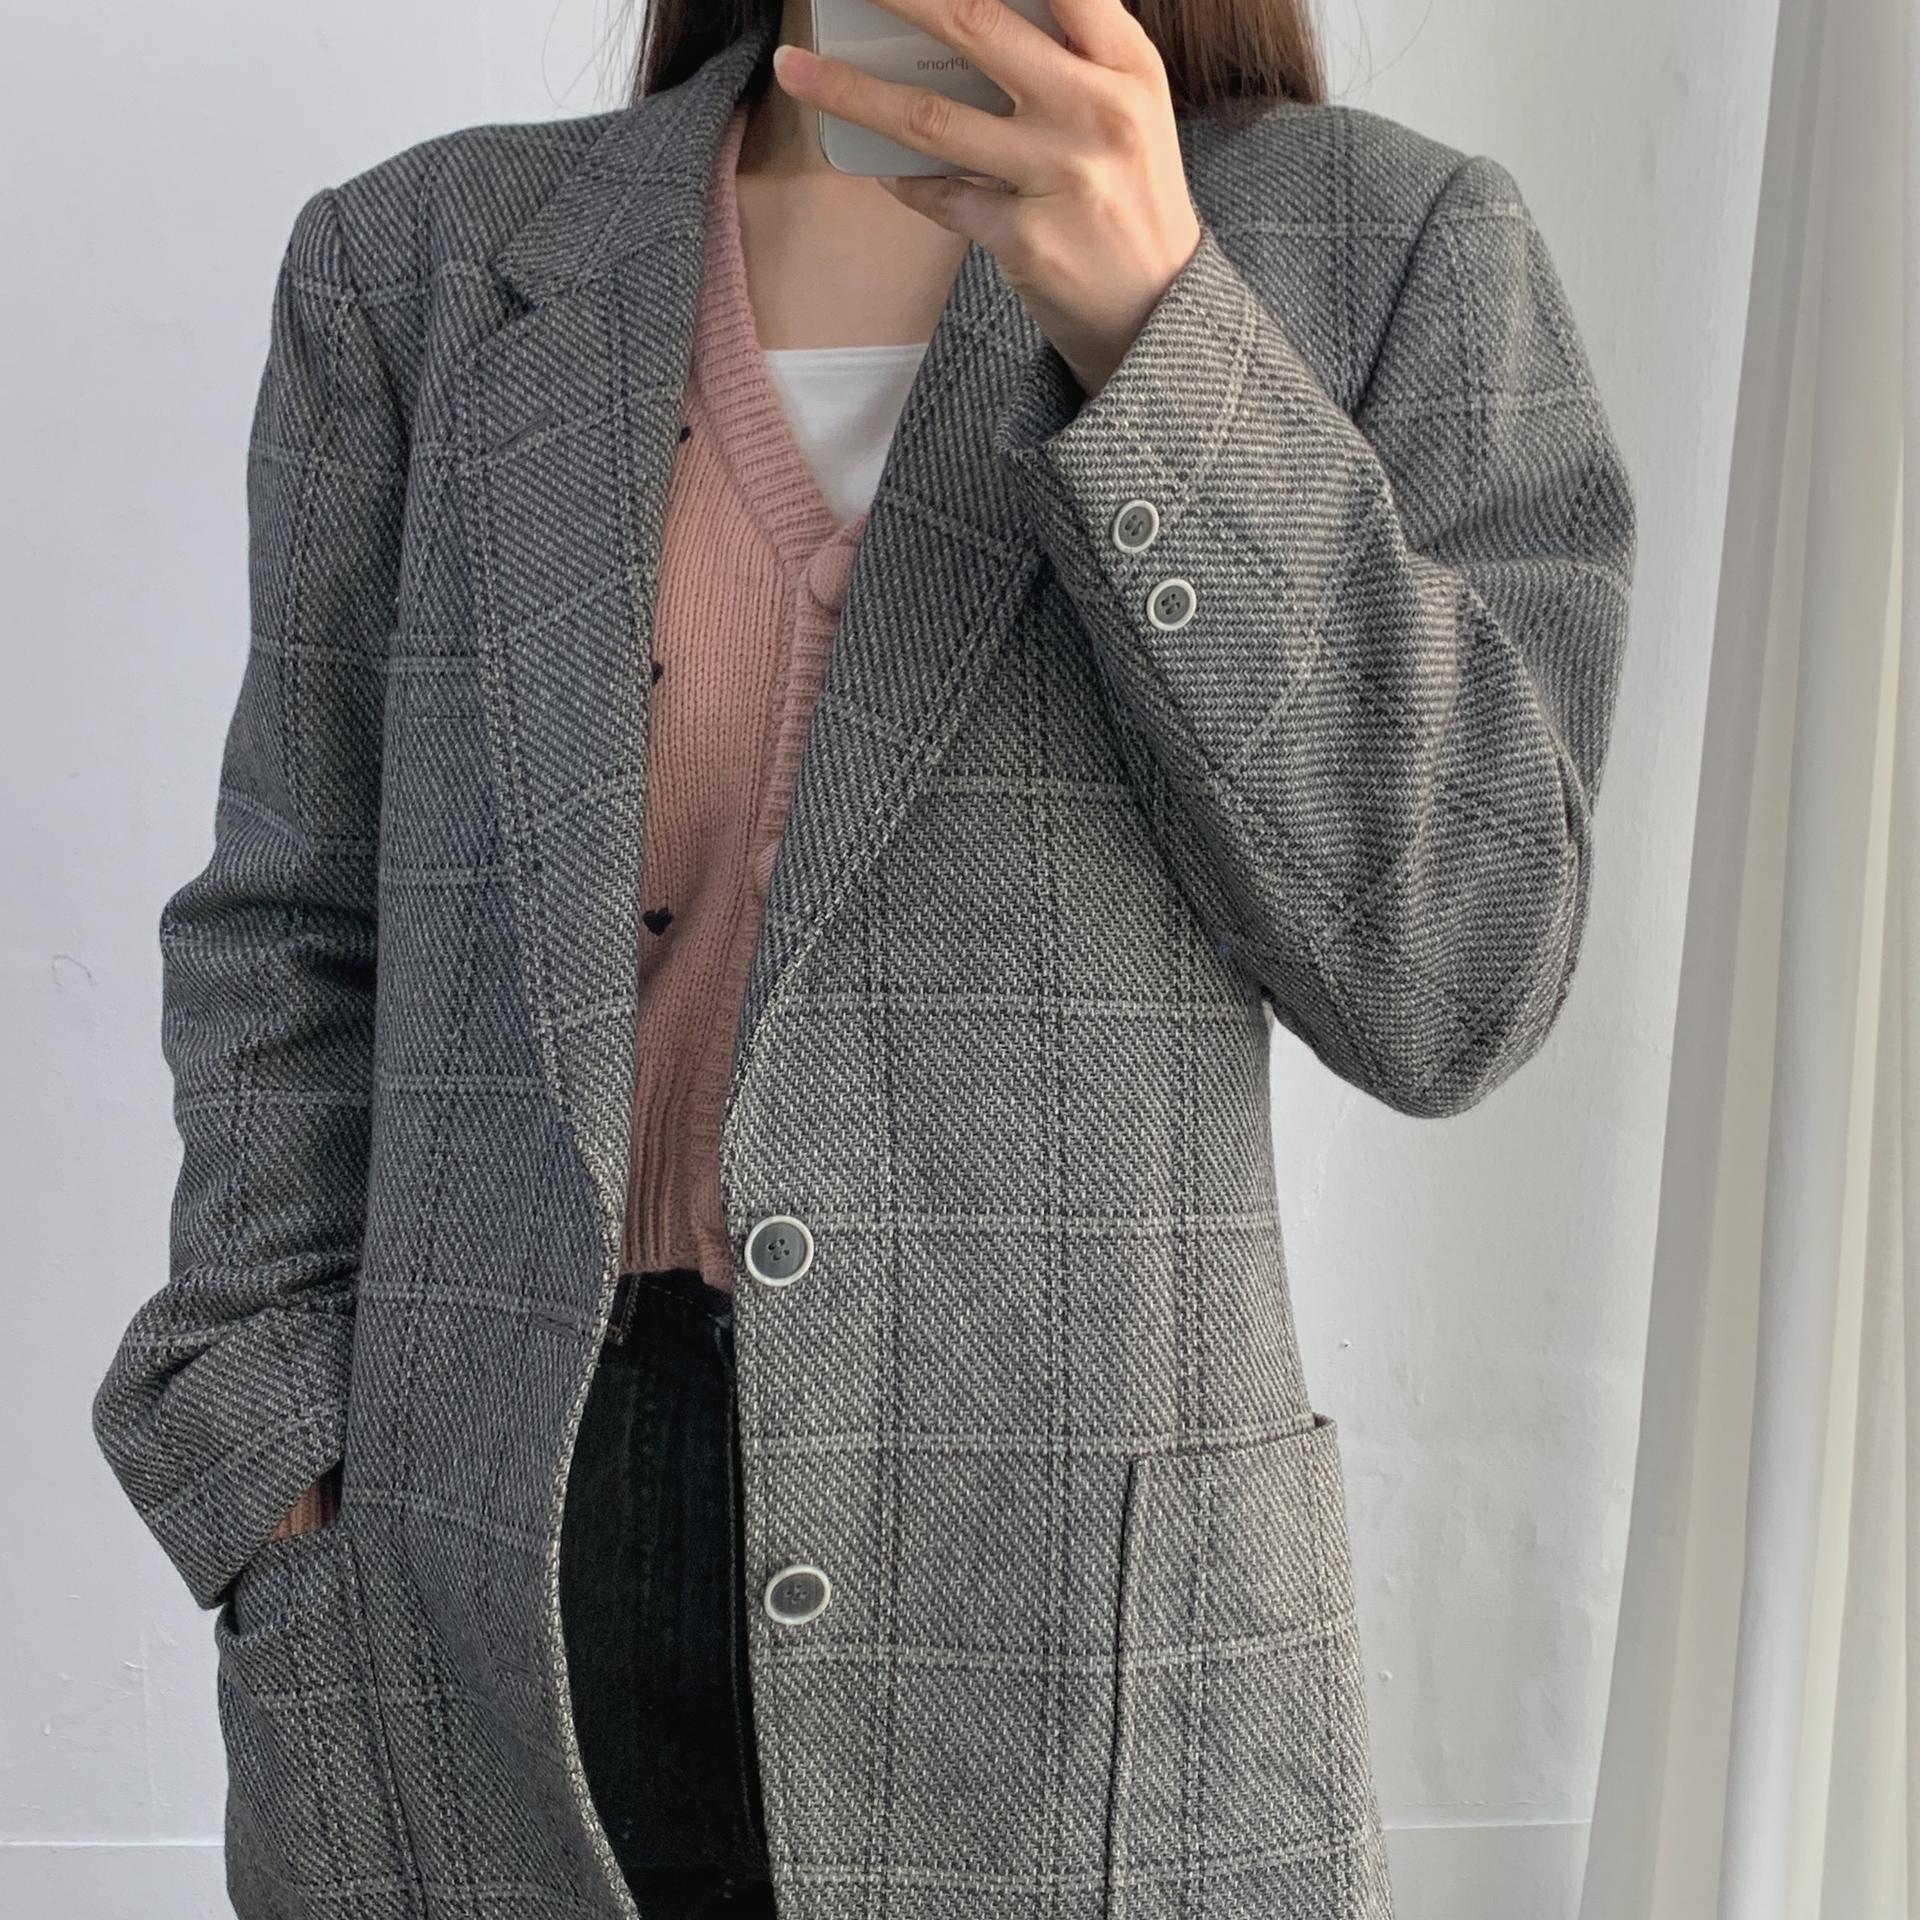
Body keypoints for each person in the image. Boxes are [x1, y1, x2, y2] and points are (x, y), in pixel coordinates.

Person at [91, 3, 1638, 1917]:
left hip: (1079, 1627)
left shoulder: (1387, 255)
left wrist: (1156, 335)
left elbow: (1461, 972)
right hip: (472, 1584)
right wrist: (267, 1466)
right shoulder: (421, 264)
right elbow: (295, 924)